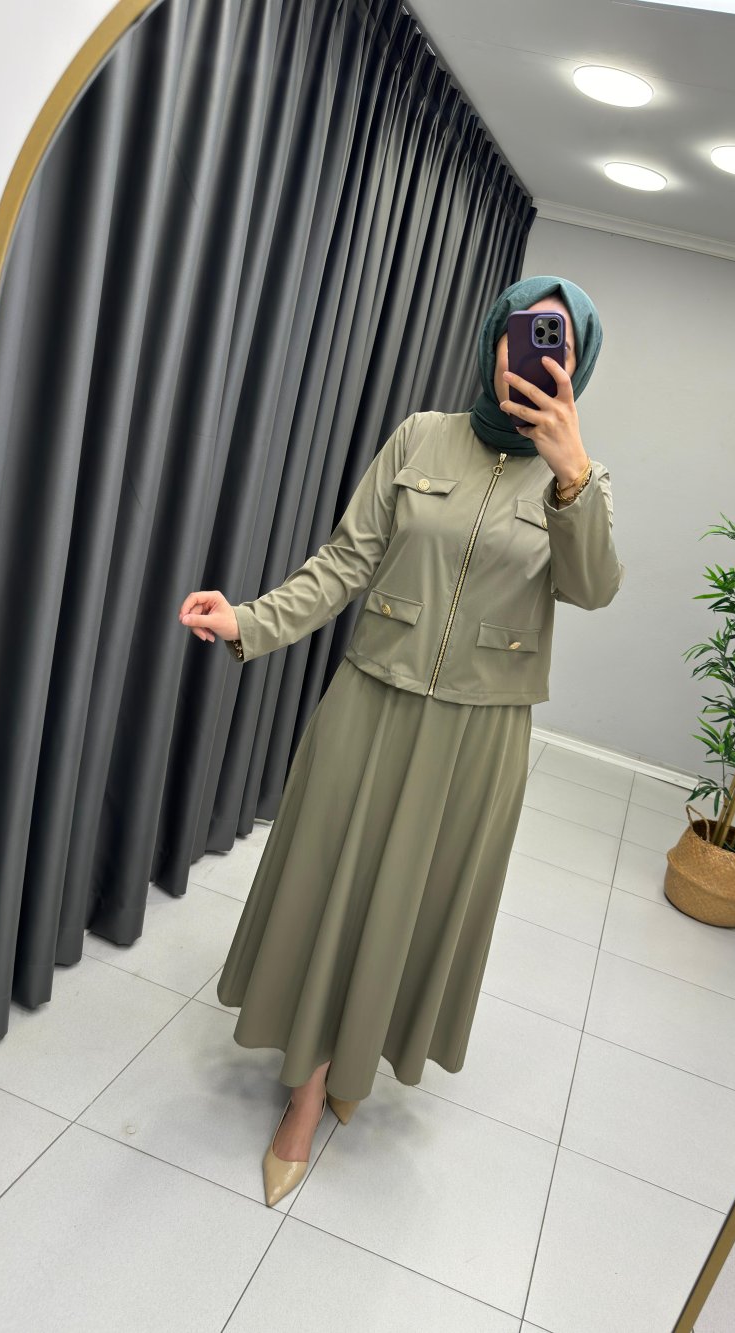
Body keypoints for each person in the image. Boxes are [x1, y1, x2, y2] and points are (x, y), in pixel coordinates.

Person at [178, 275, 625, 1206]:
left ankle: (353, 1064)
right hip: (371, 703)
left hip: (479, 735)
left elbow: (592, 590)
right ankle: (308, 1091)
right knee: (332, 885)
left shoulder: (579, 480)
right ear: (491, 340)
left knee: (411, 904)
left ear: (576, 364)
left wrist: (573, 475)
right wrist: (248, 620)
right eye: (519, 333)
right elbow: (344, 561)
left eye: (555, 342)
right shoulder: (422, 436)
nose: (529, 356)